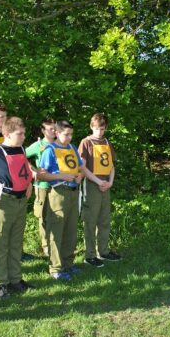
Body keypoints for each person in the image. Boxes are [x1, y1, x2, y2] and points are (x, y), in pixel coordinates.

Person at [0, 117, 34, 300]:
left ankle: (15, 279)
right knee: (0, 243)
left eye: (24, 133)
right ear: (8, 134)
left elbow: (24, 170)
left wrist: (29, 185)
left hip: (20, 203)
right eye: (20, 134)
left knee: (16, 243)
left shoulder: (21, 149)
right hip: (3, 203)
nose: (23, 137)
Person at [38, 120, 93, 280]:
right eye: (66, 134)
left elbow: (81, 168)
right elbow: (41, 174)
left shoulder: (72, 148)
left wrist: (80, 177)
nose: (69, 137)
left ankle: (68, 264)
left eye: (71, 134)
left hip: (73, 193)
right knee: (56, 231)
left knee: (70, 230)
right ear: (56, 132)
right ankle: (56, 268)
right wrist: (60, 176)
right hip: (58, 193)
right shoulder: (50, 150)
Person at [78, 113, 121, 267]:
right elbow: (81, 167)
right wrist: (98, 181)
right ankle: (89, 255)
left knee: (104, 220)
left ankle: (103, 251)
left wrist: (110, 182)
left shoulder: (107, 142)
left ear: (106, 128)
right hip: (92, 185)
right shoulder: (86, 142)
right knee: (90, 220)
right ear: (91, 127)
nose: (99, 132)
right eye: (96, 129)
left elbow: (111, 165)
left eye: (102, 129)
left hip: (106, 186)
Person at [25, 118, 57, 258]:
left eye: (55, 128)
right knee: (43, 216)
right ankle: (46, 247)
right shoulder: (38, 145)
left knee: (56, 216)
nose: (54, 131)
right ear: (43, 131)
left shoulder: (60, 144)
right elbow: (21, 156)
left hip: (58, 185)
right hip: (43, 186)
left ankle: (56, 244)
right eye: (50, 129)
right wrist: (33, 171)